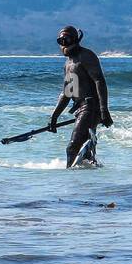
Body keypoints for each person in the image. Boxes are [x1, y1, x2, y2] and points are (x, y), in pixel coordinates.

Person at [48, 26, 112, 167]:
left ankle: (71, 180)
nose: (64, 43)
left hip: (90, 107)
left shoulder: (86, 56)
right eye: (61, 40)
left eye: (67, 39)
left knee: (72, 147)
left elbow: (99, 81)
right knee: (86, 152)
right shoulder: (68, 63)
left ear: (76, 39)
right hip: (81, 109)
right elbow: (67, 93)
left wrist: (104, 110)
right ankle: (89, 184)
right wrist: (54, 117)